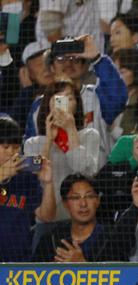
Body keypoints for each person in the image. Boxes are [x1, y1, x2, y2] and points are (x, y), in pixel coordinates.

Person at [23, 81, 102, 220]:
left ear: (77, 104)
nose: (63, 104)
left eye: (69, 98)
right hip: (47, 217)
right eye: (57, 99)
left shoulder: (90, 135)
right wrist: (48, 140)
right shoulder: (33, 143)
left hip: (80, 219)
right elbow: (34, 175)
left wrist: (70, 129)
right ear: (48, 105)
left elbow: (84, 171)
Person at [0, 116, 51, 261]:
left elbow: (46, 216)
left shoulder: (26, 178)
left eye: (15, 147)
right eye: (5, 147)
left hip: (19, 261)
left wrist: (48, 184)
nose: (11, 152)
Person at [32, 173, 114, 261]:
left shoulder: (112, 238)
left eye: (89, 196)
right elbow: (33, 272)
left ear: (98, 201)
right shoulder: (51, 239)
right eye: (76, 198)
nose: (83, 204)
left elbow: (123, 273)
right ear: (65, 204)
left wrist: (83, 265)